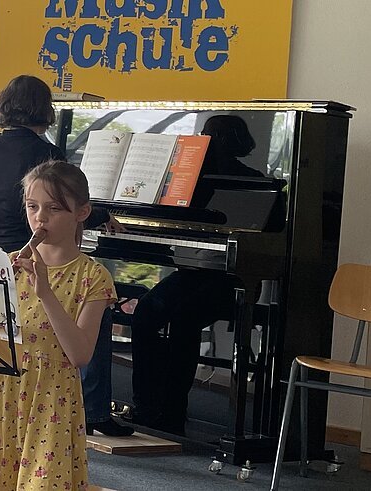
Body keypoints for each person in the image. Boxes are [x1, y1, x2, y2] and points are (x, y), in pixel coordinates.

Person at [0, 74, 131, 436]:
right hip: (30, 254)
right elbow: (60, 199)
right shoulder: (43, 153)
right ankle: (95, 408)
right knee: (94, 317)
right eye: (33, 206)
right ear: (44, 109)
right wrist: (102, 216)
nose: (41, 211)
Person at [0, 161, 117, 490]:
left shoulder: (93, 277)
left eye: (54, 208)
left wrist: (45, 293)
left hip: (52, 397)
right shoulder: (9, 264)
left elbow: (80, 355)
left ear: (82, 212)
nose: (40, 218)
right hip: (1, 391)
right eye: (32, 206)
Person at [128, 114, 275, 435]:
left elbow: (261, 243)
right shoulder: (188, 178)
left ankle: (172, 413)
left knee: (184, 316)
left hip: (233, 278)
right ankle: (145, 406)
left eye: (209, 136)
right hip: (194, 272)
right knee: (146, 312)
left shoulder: (252, 182)